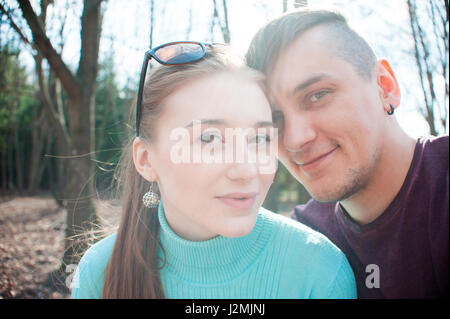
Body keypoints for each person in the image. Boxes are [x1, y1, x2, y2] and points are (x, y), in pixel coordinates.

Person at [71, 42, 356, 299]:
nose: (246, 170)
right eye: (209, 139)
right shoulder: (99, 274)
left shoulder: (319, 271)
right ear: (146, 159)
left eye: (259, 139)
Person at [245, 8, 449, 298]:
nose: (295, 139)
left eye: (318, 95)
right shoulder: (304, 245)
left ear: (384, 86)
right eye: (275, 118)